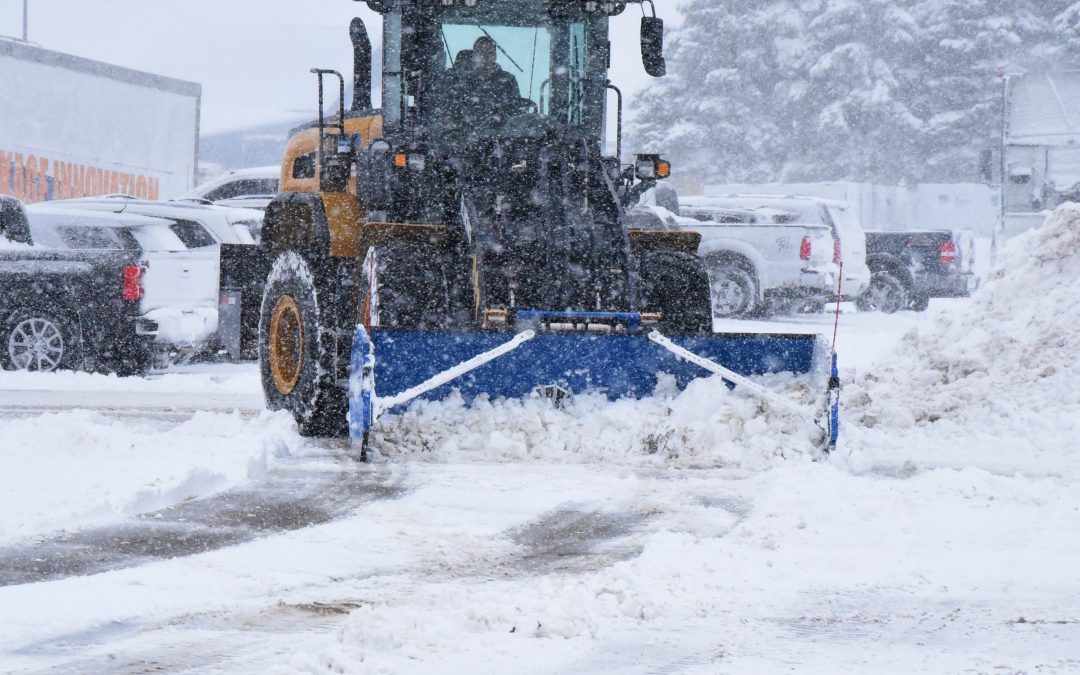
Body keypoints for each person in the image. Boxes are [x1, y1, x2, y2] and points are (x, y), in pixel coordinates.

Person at [462, 36, 522, 127]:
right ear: (474, 56)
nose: (485, 57)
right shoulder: (464, 81)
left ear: (495, 56)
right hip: (469, 136)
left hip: (502, 135)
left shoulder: (508, 80)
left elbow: (516, 113)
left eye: (490, 53)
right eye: (481, 52)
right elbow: (456, 113)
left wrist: (499, 111)